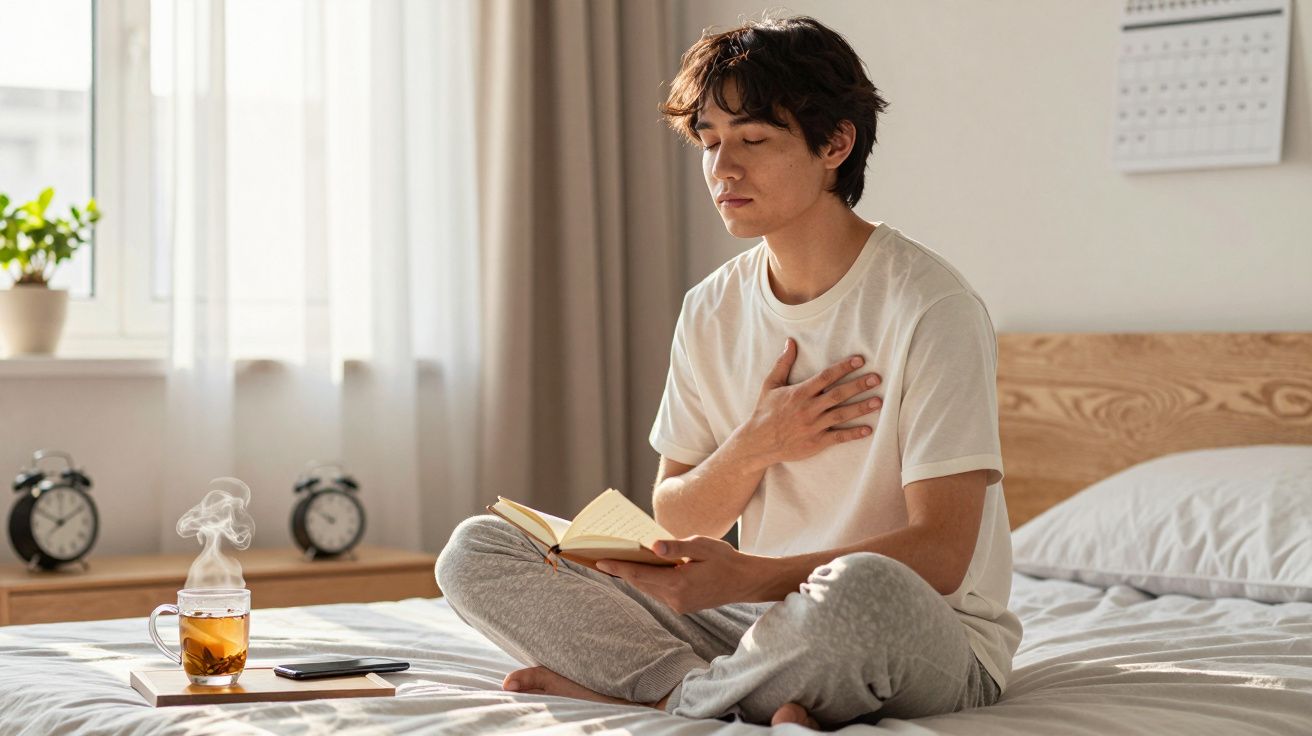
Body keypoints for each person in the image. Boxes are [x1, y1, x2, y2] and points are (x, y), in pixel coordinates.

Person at [436, 15, 1020, 729]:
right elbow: (679, 513)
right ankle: (710, 693)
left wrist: (753, 574)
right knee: (478, 549)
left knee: (866, 589)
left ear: (835, 143)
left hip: (922, 633)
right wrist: (758, 444)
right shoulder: (712, 306)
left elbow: (941, 554)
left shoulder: (930, 304)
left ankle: (672, 699)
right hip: (754, 620)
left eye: (752, 141)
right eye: (710, 143)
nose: (722, 170)